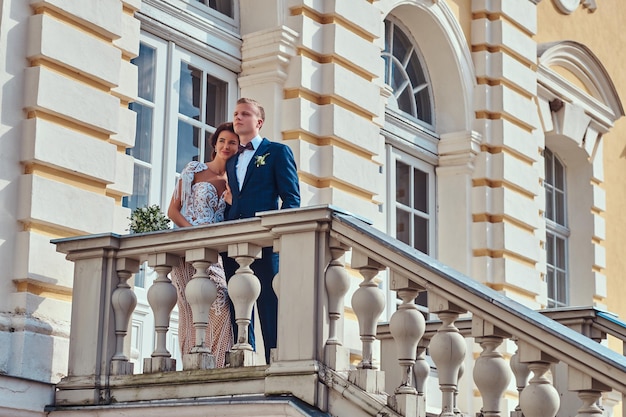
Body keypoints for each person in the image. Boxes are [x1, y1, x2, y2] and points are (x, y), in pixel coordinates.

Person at [223, 97, 301, 364]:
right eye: (235, 114)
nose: (238, 118)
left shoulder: (277, 152)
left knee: (269, 303)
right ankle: (244, 357)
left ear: (259, 121)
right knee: (238, 301)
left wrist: (280, 235)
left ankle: (273, 361)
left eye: (245, 113)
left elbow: (291, 199)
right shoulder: (231, 162)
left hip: (266, 242)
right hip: (234, 241)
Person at [167, 122, 240, 368]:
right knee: (189, 311)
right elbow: (173, 211)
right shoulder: (195, 169)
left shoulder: (235, 183)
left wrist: (232, 200)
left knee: (221, 305)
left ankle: (217, 365)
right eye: (222, 141)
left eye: (232, 142)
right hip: (186, 250)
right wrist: (193, 235)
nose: (226, 146)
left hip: (214, 255)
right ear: (215, 144)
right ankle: (191, 364)